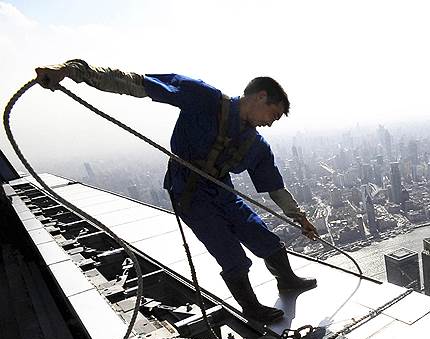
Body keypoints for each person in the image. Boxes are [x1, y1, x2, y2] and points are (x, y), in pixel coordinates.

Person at [35, 59, 318, 324]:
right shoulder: (204, 99)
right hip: (190, 193)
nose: (271, 123)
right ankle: (252, 309)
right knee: (229, 252)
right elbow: (135, 83)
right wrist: (72, 71)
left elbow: (275, 188)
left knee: (261, 234)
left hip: (222, 191)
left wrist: (300, 218)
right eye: (273, 114)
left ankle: (286, 279)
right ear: (260, 96)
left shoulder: (255, 144)